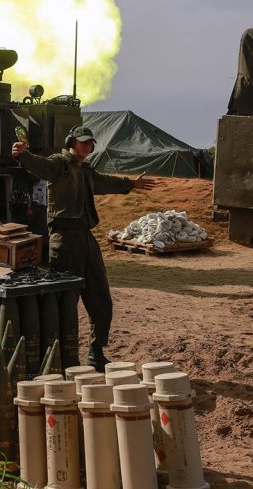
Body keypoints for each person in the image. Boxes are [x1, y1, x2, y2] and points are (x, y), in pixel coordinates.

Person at [11, 125, 154, 371]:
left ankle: (96, 352)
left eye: (90, 143)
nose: (87, 147)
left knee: (101, 299)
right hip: (64, 240)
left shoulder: (85, 170)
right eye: (83, 142)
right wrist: (21, 154)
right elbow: (37, 164)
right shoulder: (59, 164)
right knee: (66, 301)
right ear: (71, 141)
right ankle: (60, 357)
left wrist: (131, 184)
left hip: (86, 238)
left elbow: (105, 182)